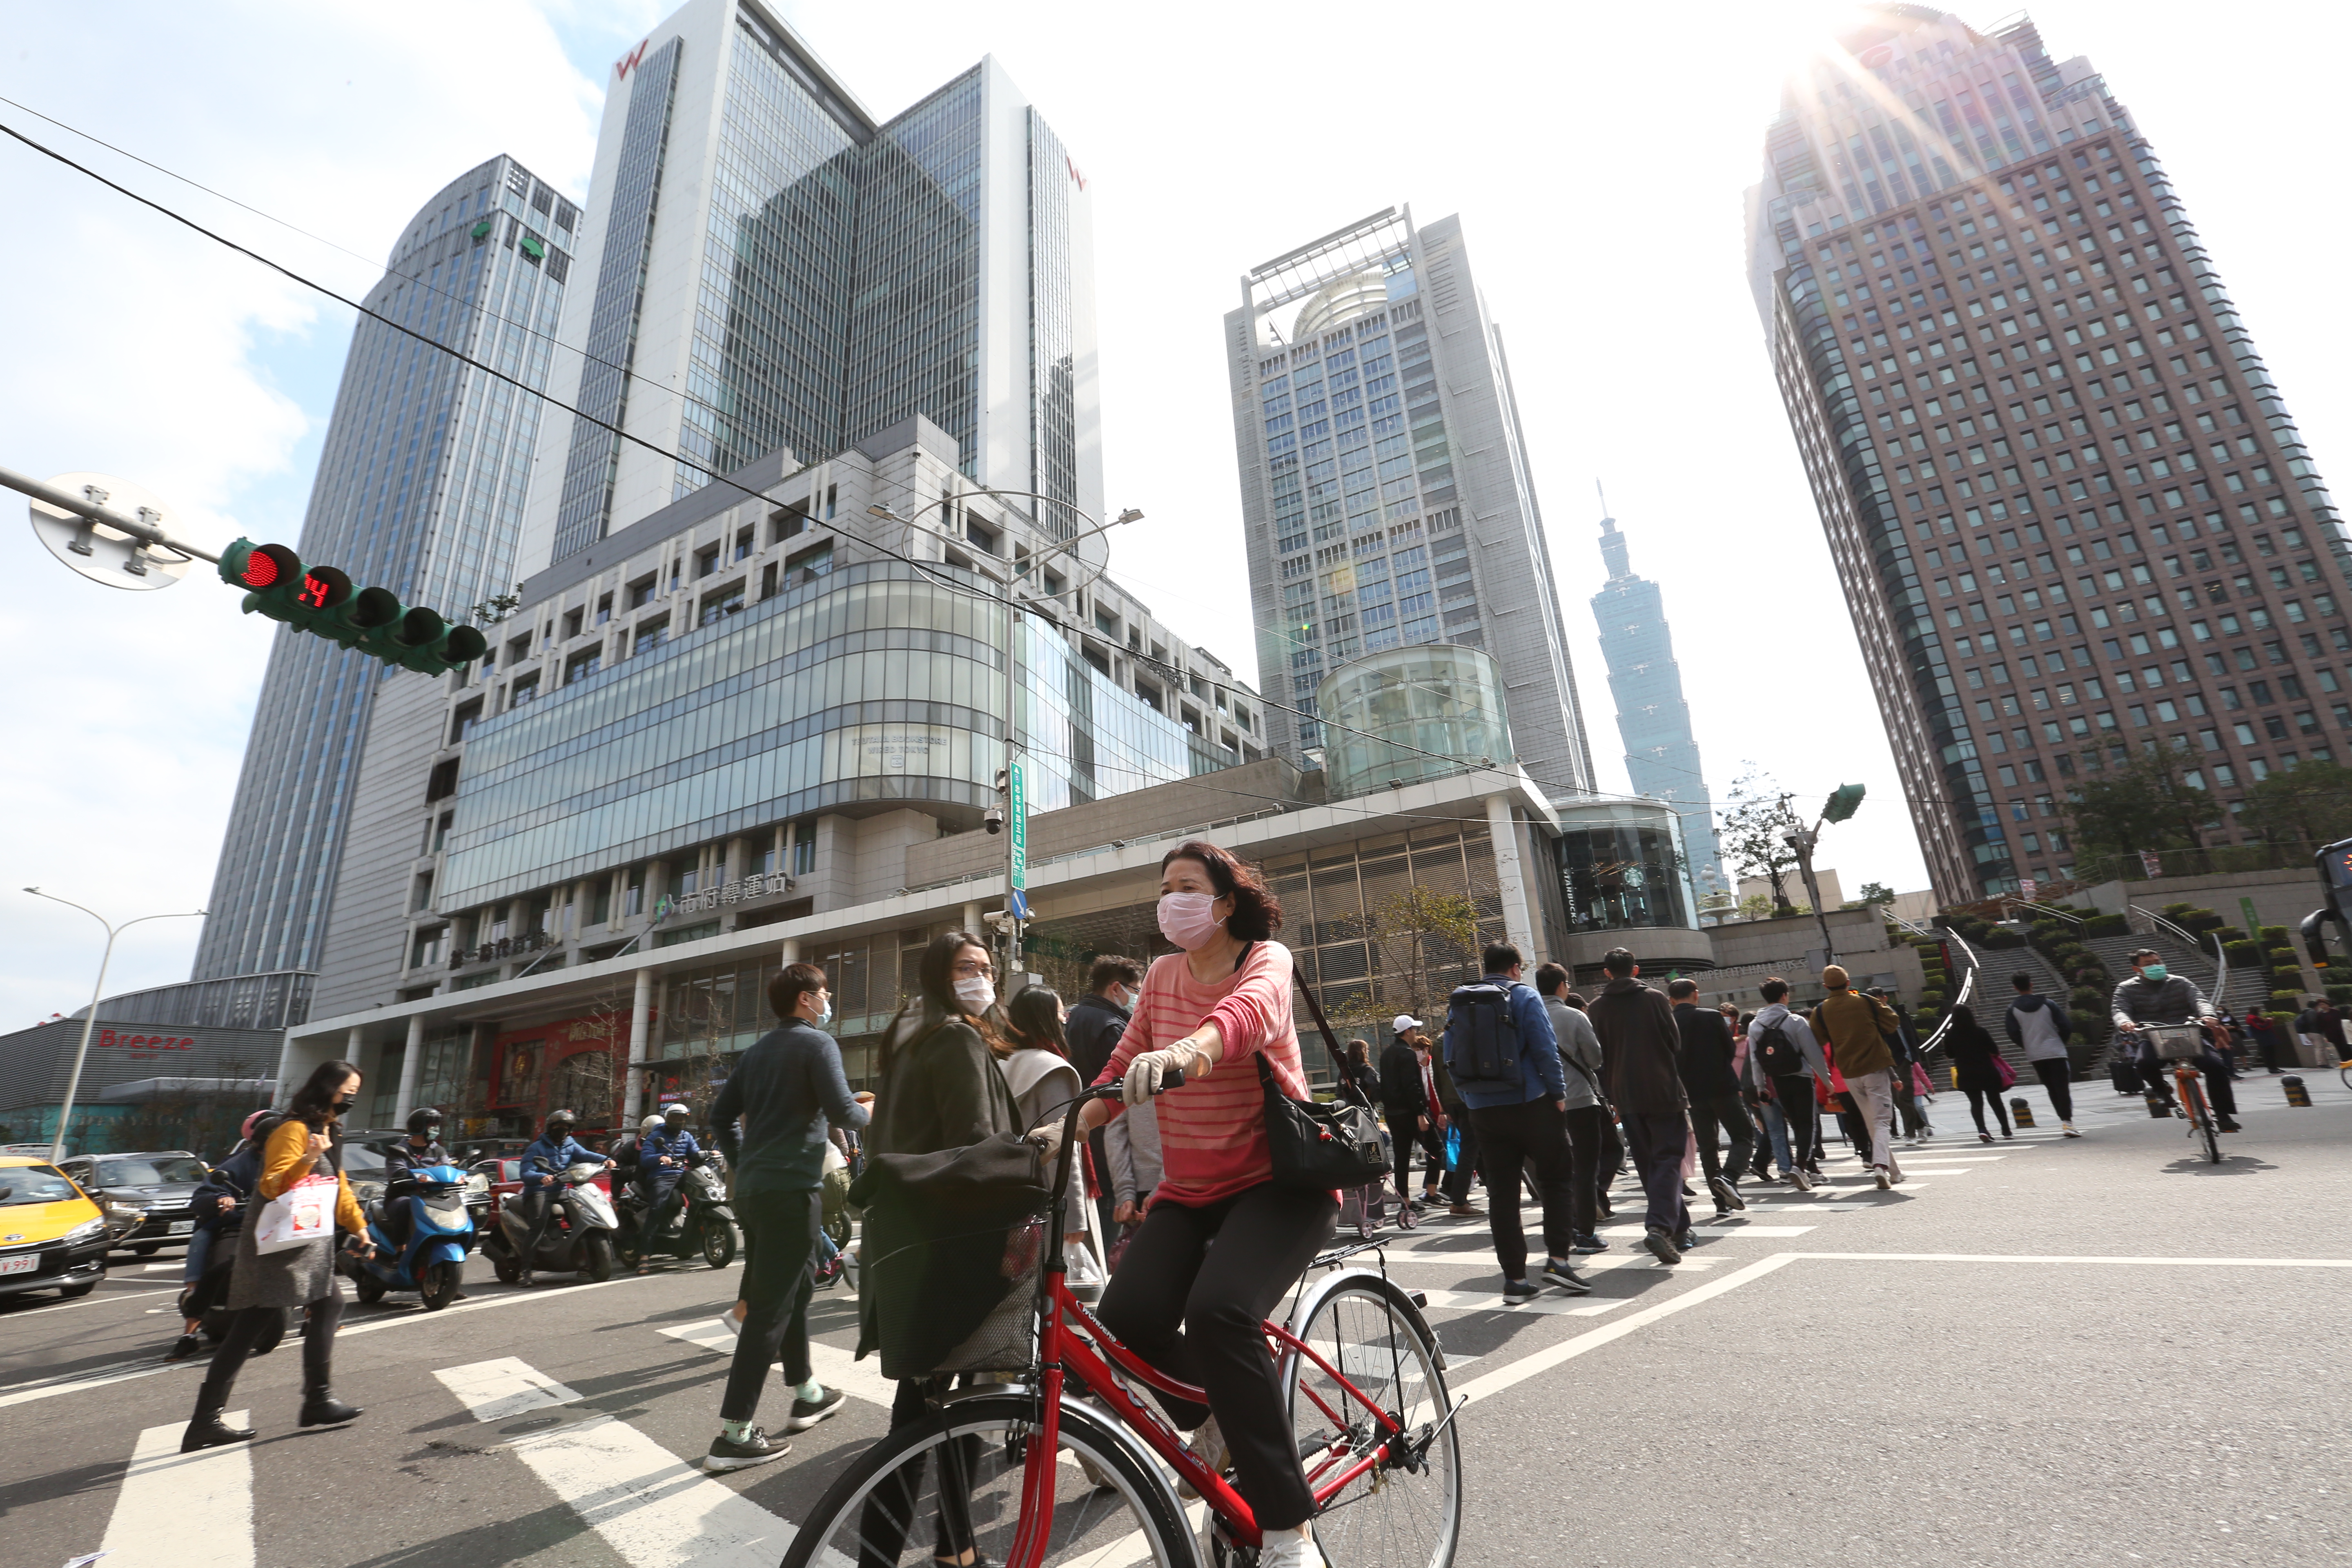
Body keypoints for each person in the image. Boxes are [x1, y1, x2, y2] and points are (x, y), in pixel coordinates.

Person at [1073, 840, 1334, 1568]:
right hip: (1189, 1189)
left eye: (1186, 886)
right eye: (1164, 888)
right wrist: (1064, 1127)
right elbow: (1121, 1067)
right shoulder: (1159, 974)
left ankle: (1289, 1532)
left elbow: (1249, 1016)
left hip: (1279, 1182)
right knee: (1123, 1322)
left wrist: (1190, 1051)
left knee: (1221, 1312)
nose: (1171, 901)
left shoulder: (1265, 959)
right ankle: (1223, 1414)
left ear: (1223, 901)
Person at [855, 931, 1027, 1567]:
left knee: (933, 1402)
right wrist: (1034, 1153)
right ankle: (910, 1553)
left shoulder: (906, 1036)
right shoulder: (954, 1037)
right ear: (937, 975)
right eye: (964, 968)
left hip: (908, 1239)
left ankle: (956, 1548)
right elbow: (978, 1146)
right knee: (935, 1407)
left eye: (985, 968)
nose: (979, 978)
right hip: (955, 1241)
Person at [701, 960, 871, 1471]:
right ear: (805, 999)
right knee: (770, 1308)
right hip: (791, 1189)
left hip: (753, 1192)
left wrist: (744, 1160)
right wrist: (875, 1112)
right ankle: (734, 1433)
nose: (828, 999)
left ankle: (808, 1392)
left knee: (794, 1288)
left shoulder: (755, 1053)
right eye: (824, 992)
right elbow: (844, 1112)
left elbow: (718, 1116)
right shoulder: (817, 1044)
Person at [180, 1060, 378, 1452]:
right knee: (249, 1327)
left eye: (356, 1092)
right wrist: (306, 1157)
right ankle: (206, 1421)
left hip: (309, 1245)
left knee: (328, 1304)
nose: (352, 1098)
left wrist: (361, 1229)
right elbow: (271, 1185)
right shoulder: (293, 1130)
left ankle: (317, 1400)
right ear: (327, 1090)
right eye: (347, 1092)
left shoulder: (330, 1131)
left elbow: (339, 1188)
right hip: (278, 1248)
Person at [1443, 942, 1588, 1301]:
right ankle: (1558, 1261)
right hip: (1530, 1103)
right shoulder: (1523, 996)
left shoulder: (1461, 1000)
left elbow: (1449, 1055)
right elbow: (1544, 1048)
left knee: (1503, 1194)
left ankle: (1515, 1281)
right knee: (1556, 1179)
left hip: (1483, 1110)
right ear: (1514, 968)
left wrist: (1471, 1099)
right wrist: (1557, 1095)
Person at [1585, 946, 1693, 1264]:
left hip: (1624, 1093)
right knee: (1669, 1157)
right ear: (1636, 970)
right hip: (1662, 1088)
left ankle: (1680, 1228)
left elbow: (1598, 1058)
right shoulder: (1656, 999)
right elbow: (1674, 1043)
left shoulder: (1597, 1008)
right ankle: (1660, 1227)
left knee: (1649, 1163)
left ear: (1607, 972)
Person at [1002, 985, 1107, 1292]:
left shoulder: (998, 1065)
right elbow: (1064, 1145)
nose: (1065, 1020)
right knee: (1065, 1300)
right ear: (1048, 1018)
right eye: (1061, 1013)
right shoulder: (1053, 1069)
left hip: (1013, 1200)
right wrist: (1073, 1218)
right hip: (1052, 1203)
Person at [170, 1109, 270, 1361]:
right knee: (218, 1259)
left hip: (280, 1227)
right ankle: (189, 1334)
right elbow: (203, 1195)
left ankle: (318, 1316)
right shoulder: (236, 1164)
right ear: (261, 1140)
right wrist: (220, 1198)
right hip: (239, 1227)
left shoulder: (294, 1162)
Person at [2111, 949, 2238, 1131]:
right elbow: (2119, 1009)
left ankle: (2223, 1115)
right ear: (2137, 969)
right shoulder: (2126, 988)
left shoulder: (2180, 982)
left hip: (2189, 1034)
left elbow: (2200, 1000)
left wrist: (2208, 1015)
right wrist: (2125, 1022)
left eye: (2158, 961)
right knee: (2143, 1064)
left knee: (2216, 1066)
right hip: (2153, 1037)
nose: (2155, 966)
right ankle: (2161, 1089)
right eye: (2148, 964)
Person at [1810, 965, 1907, 1189]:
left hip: (1849, 1073)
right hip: (1874, 1067)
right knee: (1882, 1121)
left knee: (1871, 1122)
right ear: (1848, 982)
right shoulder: (1865, 1001)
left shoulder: (1821, 1010)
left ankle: (1894, 1172)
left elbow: (1818, 1038)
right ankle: (1881, 1166)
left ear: (1825, 987)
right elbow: (1892, 1022)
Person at [1536, 963, 1609, 1254]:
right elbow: (1595, 1059)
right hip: (1579, 1101)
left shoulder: (1526, 1017)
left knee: (1554, 1173)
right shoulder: (1574, 1016)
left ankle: (1561, 1231)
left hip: (1542, 1106)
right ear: (1562, 986)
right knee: (1586, 1170)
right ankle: (1586, 1233)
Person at [1067, 956, 1140, 1239]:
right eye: (1135, 991)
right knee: (1107, 1210)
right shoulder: (1114, 1028)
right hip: (1107, 1133)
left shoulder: (1071, 1018)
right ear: (1116, 988)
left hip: (1077, 1127)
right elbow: (1125, 1089)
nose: (1137, 999)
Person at [1670, 978, 1751, 1218]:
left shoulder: (1668, 1022)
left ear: (1672, 1000)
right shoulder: (1712, 1016)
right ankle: (1729, 1178)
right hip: (1721, 1086)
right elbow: (1729, 1050)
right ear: (1696, 994)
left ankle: (1721, 1203)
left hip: (1692, 1093)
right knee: (1744, 1135)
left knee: (1708, 1146)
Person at [1746, 978, 1827, 1190]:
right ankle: (1799, 1168)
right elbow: (1813, 1054)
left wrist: (1761, 1087)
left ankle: (1812, 1170)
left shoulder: (1756, 1025)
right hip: (1801, 1077)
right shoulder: (1796, 1021)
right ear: (1784, 996)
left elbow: (1756, 1060)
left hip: (1778, 1080)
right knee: (1808, 1123)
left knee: (1796, 1124)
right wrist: (1826, 1080)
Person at [517, 1109, 612, 1287]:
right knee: (538, 1225)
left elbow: (585, 1155)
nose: (562, 1131)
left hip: (561, 1189)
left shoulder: (570, 1144)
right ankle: (525, 1271)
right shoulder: (536, 1147)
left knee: (583, 1218)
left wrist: (606, 1159)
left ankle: (586, 1262)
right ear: (550, 1128)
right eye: (559, 1127)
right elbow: (525, 1172)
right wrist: (541, 1177)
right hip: (539, 1190)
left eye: (566, 1128)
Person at [1379, 1016, 1445, 1223]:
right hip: (1411, 1112)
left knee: (1401, 1156)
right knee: (1437, 1150)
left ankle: (1405, 1199)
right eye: (1414, 1030)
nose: (1416, 1033)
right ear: (1407, 1031)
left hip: (1392, 1113)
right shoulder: (1407, 1054)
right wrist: (1420, 1114)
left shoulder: (1386, 1054)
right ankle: (1432, 1193)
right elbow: (1412, 1086)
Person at [2002, 971, 2080, 1137]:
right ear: (2031, 984)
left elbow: (2013, 1033)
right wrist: (2060, 1041)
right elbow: (2066, 1026)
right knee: (2062, 1088)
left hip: (2035, 1054)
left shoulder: (2012, 1009)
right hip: (2056, 1051)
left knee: (2051, 1087)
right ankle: (2068, 1122)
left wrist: (2027, 1045)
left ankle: (2064, 1120)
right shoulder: (2049, 1004)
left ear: (2015, 988)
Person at [1943, 1005, 2014, 1141]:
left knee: (1976, 1103)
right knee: (1995, 1101)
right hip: (1987, 1070)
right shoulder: (1980, 1031)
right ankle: (2006, 1131)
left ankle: (1982, 1130)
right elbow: (1994, 1050)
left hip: (1966, 1072)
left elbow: (1950, 1054)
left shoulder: (1951, 1035)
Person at [2244, 1006, 2283, 1073]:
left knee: (2271, 1053)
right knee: (2268, 1054)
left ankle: (2275, 1067)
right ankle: (2272, 1069)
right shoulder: (2252, 1018)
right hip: (2263, 1037)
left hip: (2266, 1037)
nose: (2260, 1012)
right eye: (2259, 1011)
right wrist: (2269, 1021)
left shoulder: (2255, 1018)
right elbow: (2261, 1027)